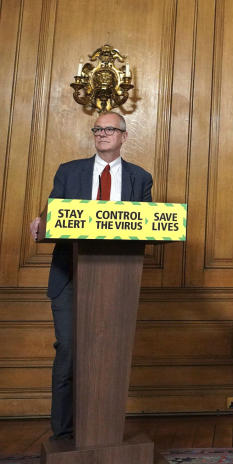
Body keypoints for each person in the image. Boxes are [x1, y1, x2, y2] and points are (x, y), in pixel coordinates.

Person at [28, 111, 153, 439]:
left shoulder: (140, 179)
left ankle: (105, 430)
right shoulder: (69, 172)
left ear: (123, 137)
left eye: (110, 129)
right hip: (70, 277)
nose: (102, 134)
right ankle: (65, 433)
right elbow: (53, 211)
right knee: (69, 348)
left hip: (118, 281)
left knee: (110, 354)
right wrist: (41, 221)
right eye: (98, 129)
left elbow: (149, 226)